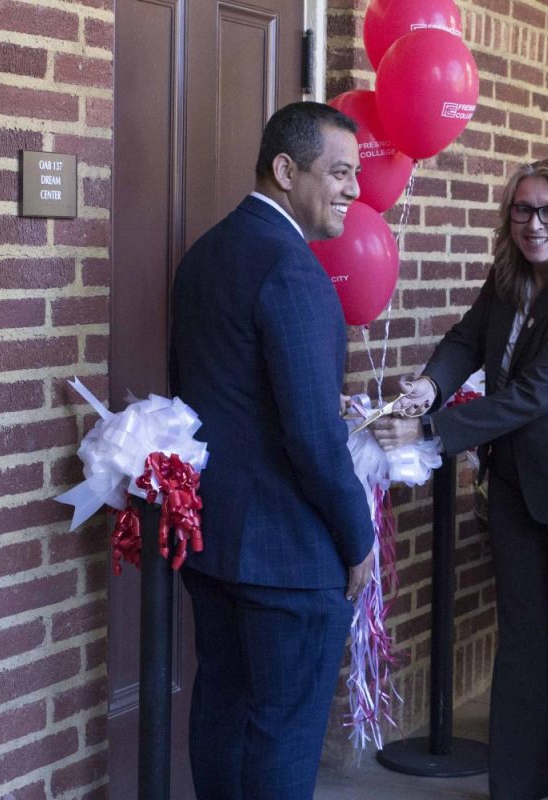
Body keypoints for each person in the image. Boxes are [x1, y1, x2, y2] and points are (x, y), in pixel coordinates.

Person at [370, 158, 548, 800]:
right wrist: (427, 389)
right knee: (518, 638)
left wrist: (430, 434)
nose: (535, 223)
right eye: (523, 209)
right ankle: (517, 787)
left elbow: (533, 393)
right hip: (515, 481)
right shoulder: (507, 277)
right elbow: (465, 341)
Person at [168, 102, 376, 800]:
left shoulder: (205, 253)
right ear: (286, 171)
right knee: (283, 742)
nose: (354, 190)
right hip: (288, 558)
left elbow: (227, 397)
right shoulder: (293, 269)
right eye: (340, 173)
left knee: (222, 717)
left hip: (214, 541)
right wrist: (358, 538)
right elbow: (313, 440)